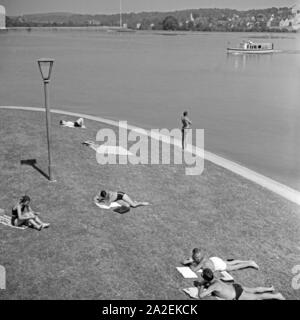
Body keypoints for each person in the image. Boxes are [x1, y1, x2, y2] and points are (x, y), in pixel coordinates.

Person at [195, 268, 285, 300]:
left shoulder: (213, 286)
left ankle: (277, 296)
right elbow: (208, 281)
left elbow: (201, 296)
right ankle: (270, 289)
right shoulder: (216, 279)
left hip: (237, 294)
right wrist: (205, 282)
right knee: (254, 290)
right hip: (235, 287)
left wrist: (201, 286)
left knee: (257, 297)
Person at [182, 247, 259, 272]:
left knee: (232, 267)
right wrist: (189, 261)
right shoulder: (195, 257)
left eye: (198, 257)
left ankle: (250, 263)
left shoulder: (202, 261)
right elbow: (183, 262)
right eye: (196, 257)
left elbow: (194, 270)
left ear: (201, 255)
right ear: (193, 255)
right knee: (230, 262)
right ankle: (248, 261)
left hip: (217, 264)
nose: (197, 258)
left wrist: (190, 264)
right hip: (215, 260)